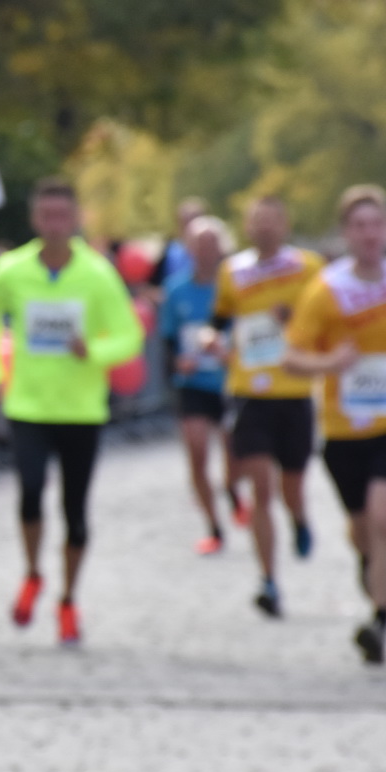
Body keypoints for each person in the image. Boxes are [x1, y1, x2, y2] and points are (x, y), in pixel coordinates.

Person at [283, 186, 386, 665]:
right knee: (362, 529)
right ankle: (368, 562)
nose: (369, 234)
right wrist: (330, 363)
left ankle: (380, 621)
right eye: (359, 226)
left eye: (376, 224)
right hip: (344, 429)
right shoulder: (326, 291)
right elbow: (292, 357)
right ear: (346, 234)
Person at [0, 181, 143, 645]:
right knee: (29, 495)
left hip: (82, 410)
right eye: (45, 215)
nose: (54, 224)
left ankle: (68, 598)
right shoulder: (11, 270)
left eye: (62, 216)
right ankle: (32, 574)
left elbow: (130, 335)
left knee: (75, 512)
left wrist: (95, 349)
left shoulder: (97, 274)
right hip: (28, 404)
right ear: (34, 220)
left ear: (76, 219)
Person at [206, 195, 324, 618]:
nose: (264, 228)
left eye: (272, 221)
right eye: (257, 221)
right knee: (260, 487)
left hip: (294, 391)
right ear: (247, 227)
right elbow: (219, 319)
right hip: (249, 389)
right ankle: (269, 580)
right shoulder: (232, 271)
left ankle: (299, 519)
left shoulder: (308, 268)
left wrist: (293, 318)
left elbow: (326, 318)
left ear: (285, 224)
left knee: (292, 485)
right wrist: (210, 338)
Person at [158, 216, 241, 556]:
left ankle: (234, 490)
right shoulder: (176, 289)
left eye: (211, 244)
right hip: (193, 383)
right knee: (196, 451)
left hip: (231, 383)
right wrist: (177, 361)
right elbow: (166, 340)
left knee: (237, 455)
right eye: (198, 245)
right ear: (188, 249)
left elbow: (249, 331)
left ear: (222, 247)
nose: (205, 252)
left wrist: (232, 354)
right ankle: (214, 527)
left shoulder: (235, 285)